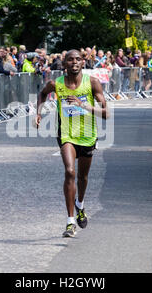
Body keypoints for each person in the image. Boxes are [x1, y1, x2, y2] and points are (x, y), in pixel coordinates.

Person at [36, 49, 109, 238]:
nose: (74, 62)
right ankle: (70, 222)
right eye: (70, 59)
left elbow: (106, 114)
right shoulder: (56, 84)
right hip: (66, 134)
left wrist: (82, 104)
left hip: (87, 135)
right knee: (69, 171)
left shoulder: (92, 83)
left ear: (83, 63)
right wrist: (38, 113)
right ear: (64, 63)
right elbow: (42, 94)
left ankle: (80, 205)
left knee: (82, 178)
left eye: (78, 59)